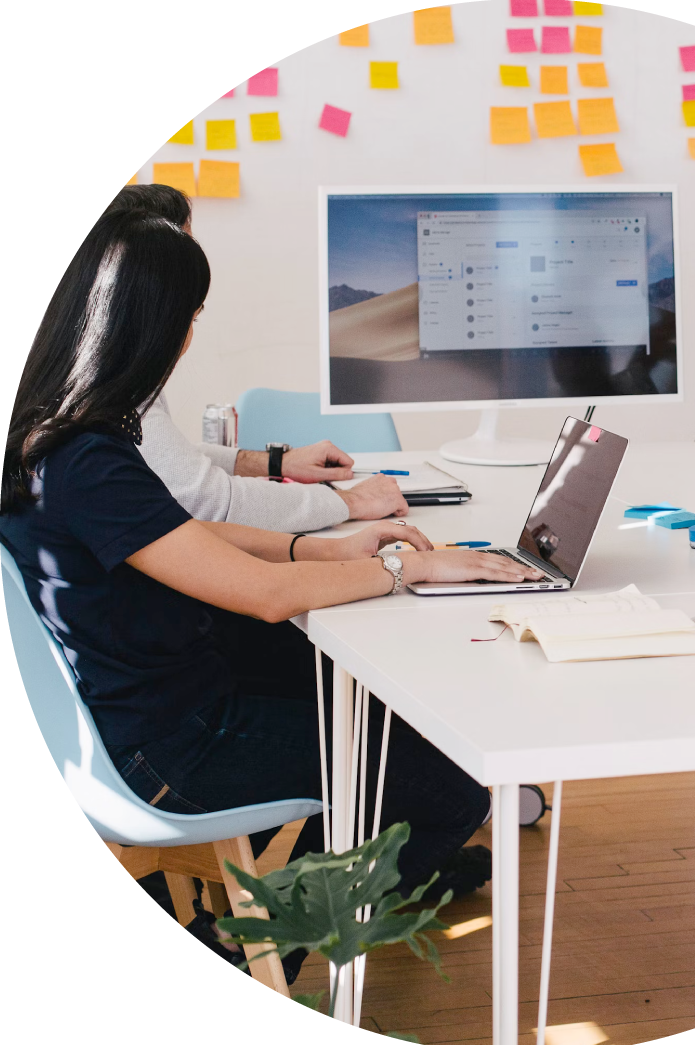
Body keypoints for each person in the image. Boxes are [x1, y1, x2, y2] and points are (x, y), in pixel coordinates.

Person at [1, 212, 541, 967]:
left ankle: (260, 915)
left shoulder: (55, 433)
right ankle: (245, 950)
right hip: (172, 746)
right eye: (189, 317)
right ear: (153, 327)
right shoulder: (89, 457)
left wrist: (323, 548)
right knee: (448, 789)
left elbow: (184, 536)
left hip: (144, 709)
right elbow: (262, 596)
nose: (189, 337)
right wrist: (403, 569)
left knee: (366, 712)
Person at [101, 184, 405, 531]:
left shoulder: (110, 365)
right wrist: (350, 501)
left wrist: (277, 462)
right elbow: (209, 501)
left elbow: (171, 461)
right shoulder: (110, 388)